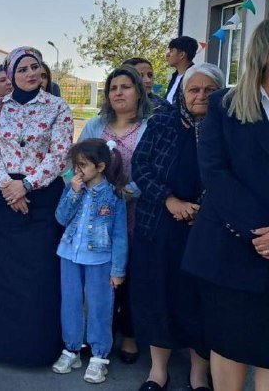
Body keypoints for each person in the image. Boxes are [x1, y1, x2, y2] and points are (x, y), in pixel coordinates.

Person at [182, 20, 269, 391]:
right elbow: (215, 173)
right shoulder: (224, 105)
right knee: (230, 346)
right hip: (231, 249)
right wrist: (261, 231)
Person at [0, 46, 73, 366]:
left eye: (35, 67)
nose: (30, 73)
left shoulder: (58, 107)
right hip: (2, 199)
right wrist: (8, 187)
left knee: (39, 276)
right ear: (10, 74)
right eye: (22, 69)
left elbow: (59, 154)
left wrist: (26, 185)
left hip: (41, 199)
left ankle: (37, 349)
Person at [131, 63, 223, 391]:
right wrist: (169, 200)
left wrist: (205, 210)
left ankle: (199, 375)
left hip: (208, 228)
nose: (201, 95)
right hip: (160, 224)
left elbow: (233, 175)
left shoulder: (228, 127)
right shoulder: (162, 122)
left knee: (200, 302)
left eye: (209, 90)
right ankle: (158, 372)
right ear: (183, 94)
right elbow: (140, 166)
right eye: (194, 89)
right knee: (159, 296)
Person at [79, 65, 153, 364]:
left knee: (130, 274)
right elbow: (76, 163)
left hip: (137, 211)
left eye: (126, 87)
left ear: (139, 92)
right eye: (113, 88)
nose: (119, 93)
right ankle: (100, 332)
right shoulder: (95, 126)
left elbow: (157, 169)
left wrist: (127, 192)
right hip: (99, 215)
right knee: (101, 274)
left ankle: (130, 334)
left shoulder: (150, 127)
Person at [52, 139, 128, 384]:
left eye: (83, 165)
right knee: (70, 303)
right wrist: (73, 193)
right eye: (76, 165)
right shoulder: (72, 188)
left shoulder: (114, 195)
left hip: (100, 259)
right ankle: (71, 349)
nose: (78, 171)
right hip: (69, 254)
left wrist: (118, 270)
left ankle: (99, 355)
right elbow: (61, 217)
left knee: (100, 306)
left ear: (101, 166)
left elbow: (120, 235)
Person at [165, 36, 198, 104]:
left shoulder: (194, 77)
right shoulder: (175, 76)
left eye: (171, 51)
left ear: (182, 55)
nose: (167, 55)